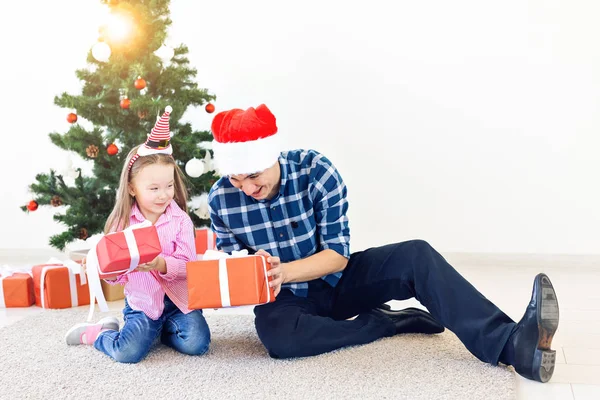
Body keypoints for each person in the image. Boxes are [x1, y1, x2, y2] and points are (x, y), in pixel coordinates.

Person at [207, 104, 560, 383]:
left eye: (254, 176)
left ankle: (514, 344)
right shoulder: (221, 199)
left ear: (272, 157)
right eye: (237, 180)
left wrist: (283, 271)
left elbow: (337, 258)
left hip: (335, 280)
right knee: (280, 341)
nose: (248, 189)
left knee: (415, 255)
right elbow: (230, 264)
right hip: (283, 299)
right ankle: (385, 323)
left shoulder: (316, 171)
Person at [65, 106, 211, 364]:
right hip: (143, 304)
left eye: (168, 186)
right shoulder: (121, 223)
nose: (164, 194)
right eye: (153, 188)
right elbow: (116, 277)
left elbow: (189, 265)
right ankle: (100, 334)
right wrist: (102, 268)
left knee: (197, 344)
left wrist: (161, 264)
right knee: (127, 353)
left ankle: (163, 331)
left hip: (179, 302)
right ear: (132, 188)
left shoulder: (180, 220)